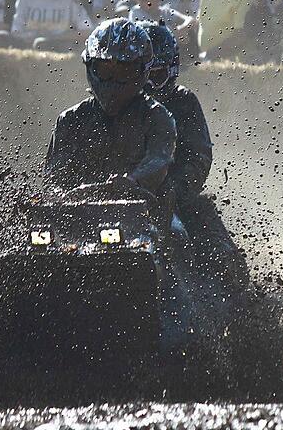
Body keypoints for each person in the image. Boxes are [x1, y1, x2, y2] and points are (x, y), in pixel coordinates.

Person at [46, 18, 193, 353]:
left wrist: (130, 183)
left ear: (141, 72)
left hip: (147, 213)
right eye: (105, 70)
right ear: (90, 68)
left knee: (178, 238)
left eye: (123, 72)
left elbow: (159, 162)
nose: (113, 81)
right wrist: (67, 196)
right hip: (80, 217)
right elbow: (56, 175)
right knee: (33, 251)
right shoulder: (71, 120)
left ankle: (184, 334)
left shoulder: (158, 117)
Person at [139, 20, 247, 288]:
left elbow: (199, 157)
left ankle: (240, 311)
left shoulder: (183, 102)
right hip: (120, 202)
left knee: (225, 260)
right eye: (140, 76)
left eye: (157, 75)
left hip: (175, 197)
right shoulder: (106, 110)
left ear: (172, 72)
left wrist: (173, 189)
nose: (148, 87)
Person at [0, 0, 94, 52]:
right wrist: (29, 38)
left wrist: (56, 38)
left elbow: (87, 32)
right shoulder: (25, 0)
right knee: (1, 36)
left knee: (41, 44)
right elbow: (16, 31)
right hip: (26, 44)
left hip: (56, 46)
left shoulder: (70, 2)